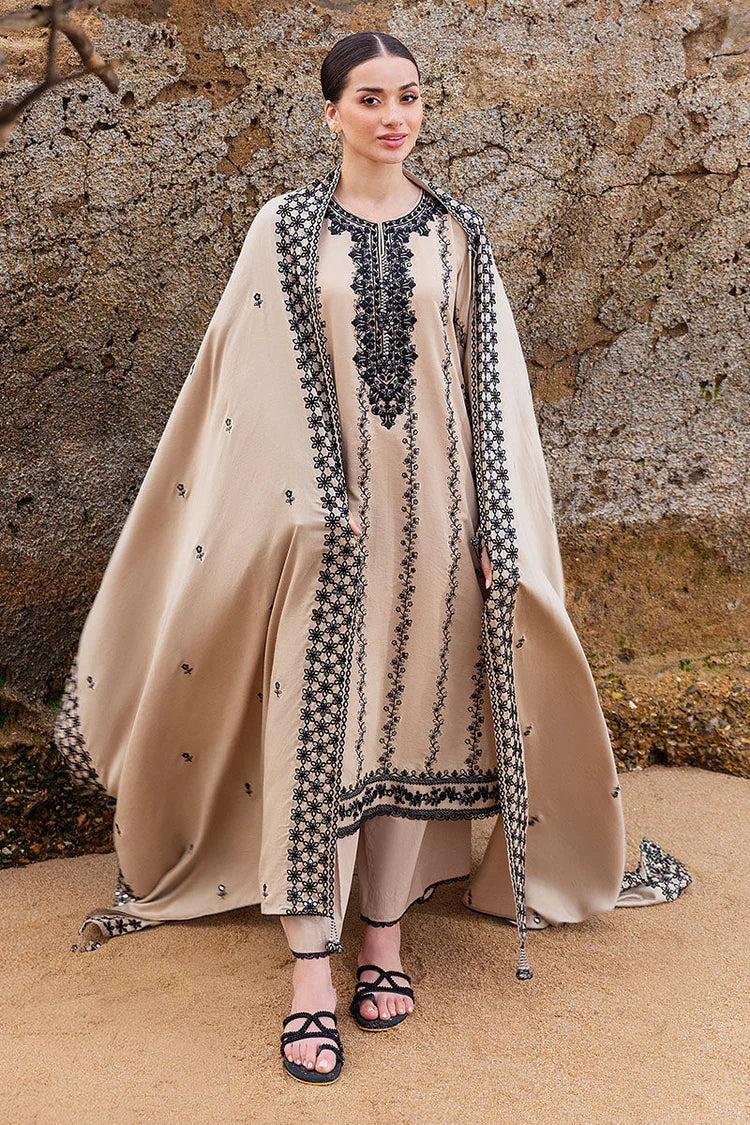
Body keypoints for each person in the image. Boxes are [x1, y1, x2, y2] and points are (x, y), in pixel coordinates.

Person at [53, 31, 691, 1087]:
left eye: (409, 97)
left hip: (440, 528)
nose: (394, 116)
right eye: (370, 98)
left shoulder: (459, 234)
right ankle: (311, 970)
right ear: (331, 113)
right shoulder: (285, 228)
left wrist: (498, 533)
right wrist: (311, 507)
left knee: (411, 730)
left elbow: (494, 395)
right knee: (318, 734)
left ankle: (384, 938)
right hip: (323, 535)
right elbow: (244, 384)